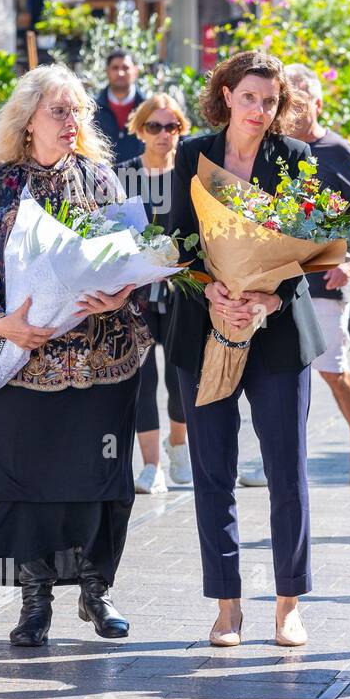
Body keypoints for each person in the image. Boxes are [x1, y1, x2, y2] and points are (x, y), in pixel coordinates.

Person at [0, 64, 142, 644]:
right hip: (25, 358)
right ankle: (35, 603)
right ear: (28, 122)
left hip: (99, 357)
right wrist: (1, 323)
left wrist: (123, 287)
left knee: (96, 478)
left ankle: (95, 591)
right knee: (32, 479)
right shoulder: (4, 187)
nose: (71, 121)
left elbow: (127, 250)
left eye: (78, 110)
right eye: (58, 111)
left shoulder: (102, 179)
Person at [165, 51, 324, 649]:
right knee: (212, 472)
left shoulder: (295, 160)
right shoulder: (190, 155)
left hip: (278, 337)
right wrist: (212, 296)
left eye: (271, 100)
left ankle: (288, 604)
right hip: (203, 331)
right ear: (227, 94)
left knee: (287, 471)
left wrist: (265, 302)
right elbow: (179, 243)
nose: (261, 110)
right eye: (250, 97)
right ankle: (227, 605)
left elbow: (306, 252)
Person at [283, 63, 350, 486]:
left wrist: (349, 261)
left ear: (319, 104)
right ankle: (280, 457)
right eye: (291, 100)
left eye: (305, 101)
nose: (297, 109)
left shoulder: (339, 151)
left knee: (332, 370)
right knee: (280, 373)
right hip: (280, 279)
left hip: (326, 279)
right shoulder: (273, 149)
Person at [119, 93, 192, 495]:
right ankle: (151, 465)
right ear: (140, 129)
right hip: (137, 294)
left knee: (182, 375)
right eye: (155, 127)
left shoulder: (189, 173)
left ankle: (178, 446)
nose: (164, 135)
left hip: (182, 289)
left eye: (172, 127)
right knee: (143, 379)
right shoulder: (123, 175)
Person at [92, 50, 148, 165]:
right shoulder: (92, 109)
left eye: (126, 68)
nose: (120, 73)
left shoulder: (148, 109)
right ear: (107, 71)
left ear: (135, 71)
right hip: (102, 178)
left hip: (140, 178)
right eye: (115, 68)